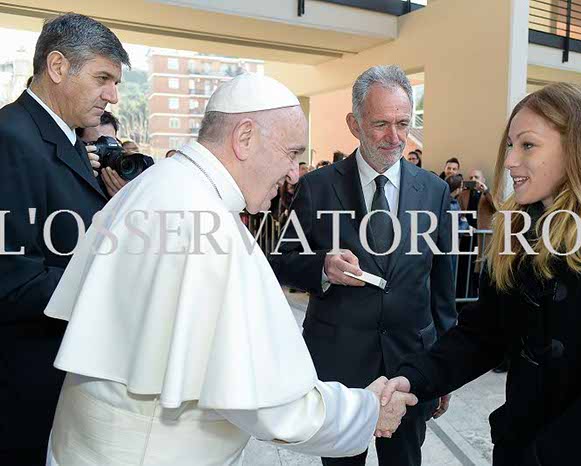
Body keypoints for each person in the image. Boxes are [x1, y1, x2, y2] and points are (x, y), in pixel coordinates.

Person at [44, 73, 418, 466]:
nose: (294, 173)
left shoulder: (157, 184)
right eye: (291, 153)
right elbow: (273, 406)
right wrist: (366, 410)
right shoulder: (207, 225)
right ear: (244, 138)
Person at [381, 83, 581, 465]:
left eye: (528, 145)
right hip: (518, 448)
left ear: (580, 147)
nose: (510, 160)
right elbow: (484, 332)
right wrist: (413, 378)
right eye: (511, 145)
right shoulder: (519, 229)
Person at [270, 65, 457, 466]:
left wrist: (445, 369)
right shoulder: (317, 187)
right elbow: (281, 261)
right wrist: (323, 267)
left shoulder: (436, 191)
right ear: (354, 124)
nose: (395, 137)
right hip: (339, 367)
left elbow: (443, 293)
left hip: (410, 365)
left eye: (403, 123)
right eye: (381, 124)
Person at [0, 13, 129, 464]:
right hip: (22, 381)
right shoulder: (11, 139)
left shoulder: (65, 139)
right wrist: (117, 285)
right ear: (57, 67)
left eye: (115, 82)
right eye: (102, 78)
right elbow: (12, 280)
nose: (112, 95)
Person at [77, 110, 130, 197]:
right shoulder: (75, 174)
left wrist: (125, 196)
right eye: (100, 144)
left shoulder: (126, 172)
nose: (108, 151)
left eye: (112, 142)